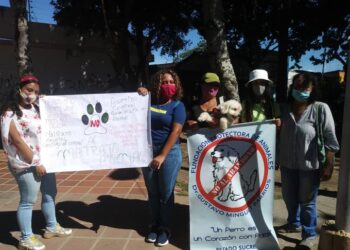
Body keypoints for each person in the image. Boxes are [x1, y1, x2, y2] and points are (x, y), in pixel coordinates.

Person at [0, 74, 72, 250]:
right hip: (26, 163)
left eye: (36, 92)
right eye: (29, 90)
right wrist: (35, 161)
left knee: (49, 194)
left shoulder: (37, 108)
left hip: (45, 160)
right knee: (28, 200)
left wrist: (48, 104)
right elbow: (17, 140)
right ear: (20, 89)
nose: (31, 94)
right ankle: (26, 238)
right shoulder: (9, 112)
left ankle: (51, 226)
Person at [277, 72, 339, 248]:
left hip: (310, 166)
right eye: (297, 87)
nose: (300, 90)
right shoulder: (284, 109)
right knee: (289, 198)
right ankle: (294, 223)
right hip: (288, 164)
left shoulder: (320, 108)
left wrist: (328, 164)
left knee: (307, 202)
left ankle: (309, 234)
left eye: (305, 88)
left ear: (312, 89)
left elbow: (330, 139)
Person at [137, 69, 186, 247]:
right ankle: (154, 225)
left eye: (171, 82)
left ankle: (165, 228)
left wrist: (162, 155)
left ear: (176, 85)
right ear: (157, 84)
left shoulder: (177, 106)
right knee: (153, 193)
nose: (168, 85)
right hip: (147, 152)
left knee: (166, 193)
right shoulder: (147, 101)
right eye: (164, 82)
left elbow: (176, 131)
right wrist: (140, 93)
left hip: (169, 153)